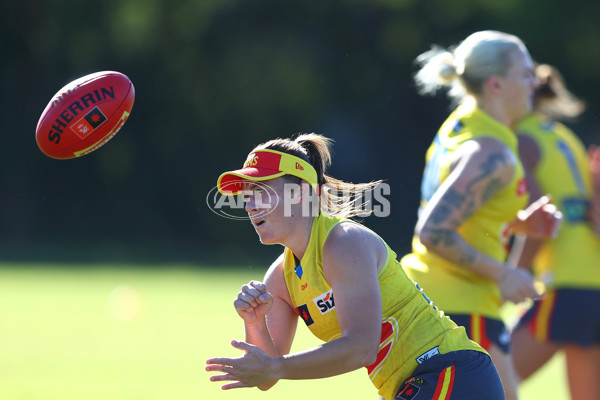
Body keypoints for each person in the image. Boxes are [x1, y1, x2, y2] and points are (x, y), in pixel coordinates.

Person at [205, 133, 506, 399]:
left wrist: (276, 367)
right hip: (421, 385)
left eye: (262, 191)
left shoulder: (344, 242)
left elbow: (362, 347)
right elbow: (268, 375)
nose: (250, 204)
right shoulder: (280, 279)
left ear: (304, 193)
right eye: (246, 194)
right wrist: (255, 322)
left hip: (450, 374)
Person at [400, 31, 563, 400]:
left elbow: (467, 213)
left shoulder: (464, 124)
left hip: (443, 305)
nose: (535, 82)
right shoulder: (491, 151)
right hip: (461, 311)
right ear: (495, 84)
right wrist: (504, 273)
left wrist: (519, 223)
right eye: (525, 74)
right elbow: (434, 231)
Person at [508, 64, 600, 400]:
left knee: (483, 384)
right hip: (593, 287)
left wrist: (512, 276)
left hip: (565, 287)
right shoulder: (564, 137)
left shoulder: (522, 140)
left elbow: (539, 223)